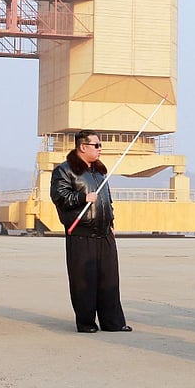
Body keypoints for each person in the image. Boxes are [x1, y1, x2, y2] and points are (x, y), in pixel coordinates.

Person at [50, 130, 131, 333]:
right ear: (83, 147)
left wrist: (110, 220)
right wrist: (82, 198)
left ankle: (113, 322)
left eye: (100, 145)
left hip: (104, 234)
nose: (100, 149)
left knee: (109, 279)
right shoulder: (65, 170)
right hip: (81, 234)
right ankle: (86, 322)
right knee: (84, 280)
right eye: (96, 145)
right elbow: (60, 196)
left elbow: (106, 198)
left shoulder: (99, 172)